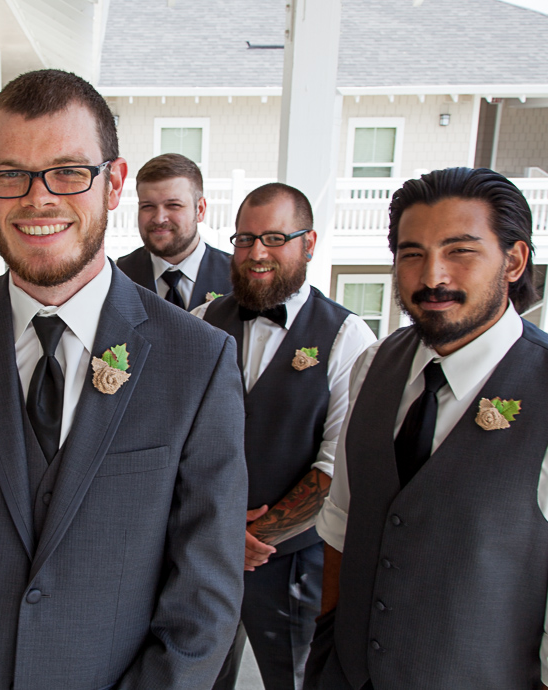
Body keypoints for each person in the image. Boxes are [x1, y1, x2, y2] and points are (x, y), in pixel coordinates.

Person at [0, 69, 249, 689]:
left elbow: (203, 601)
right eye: (10, 174)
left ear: (114, 183)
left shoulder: (198, 361)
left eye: (69, 172)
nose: (38, 199)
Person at [306, 167, 548, 690]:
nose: (432, 276)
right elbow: (343, 525)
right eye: (412, 253)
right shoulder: (372, 366)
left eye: (461, 250)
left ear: (514, 260)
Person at [195, 183, 375, 690]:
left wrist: (257, 538)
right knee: (197, 674)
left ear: (309, 243)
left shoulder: (348, 337)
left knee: (294, 680)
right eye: (244, 238)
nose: (256, 253)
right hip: (203, 554)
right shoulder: (201, 323)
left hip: (295, 564)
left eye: (274, 238)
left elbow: (337, 464)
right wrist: (217, 536)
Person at [116, 153, 231, 309]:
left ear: (201, 210)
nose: (159, 218)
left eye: (173, 205)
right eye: (148, 206)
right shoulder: (117, 277)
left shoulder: (237, 277)